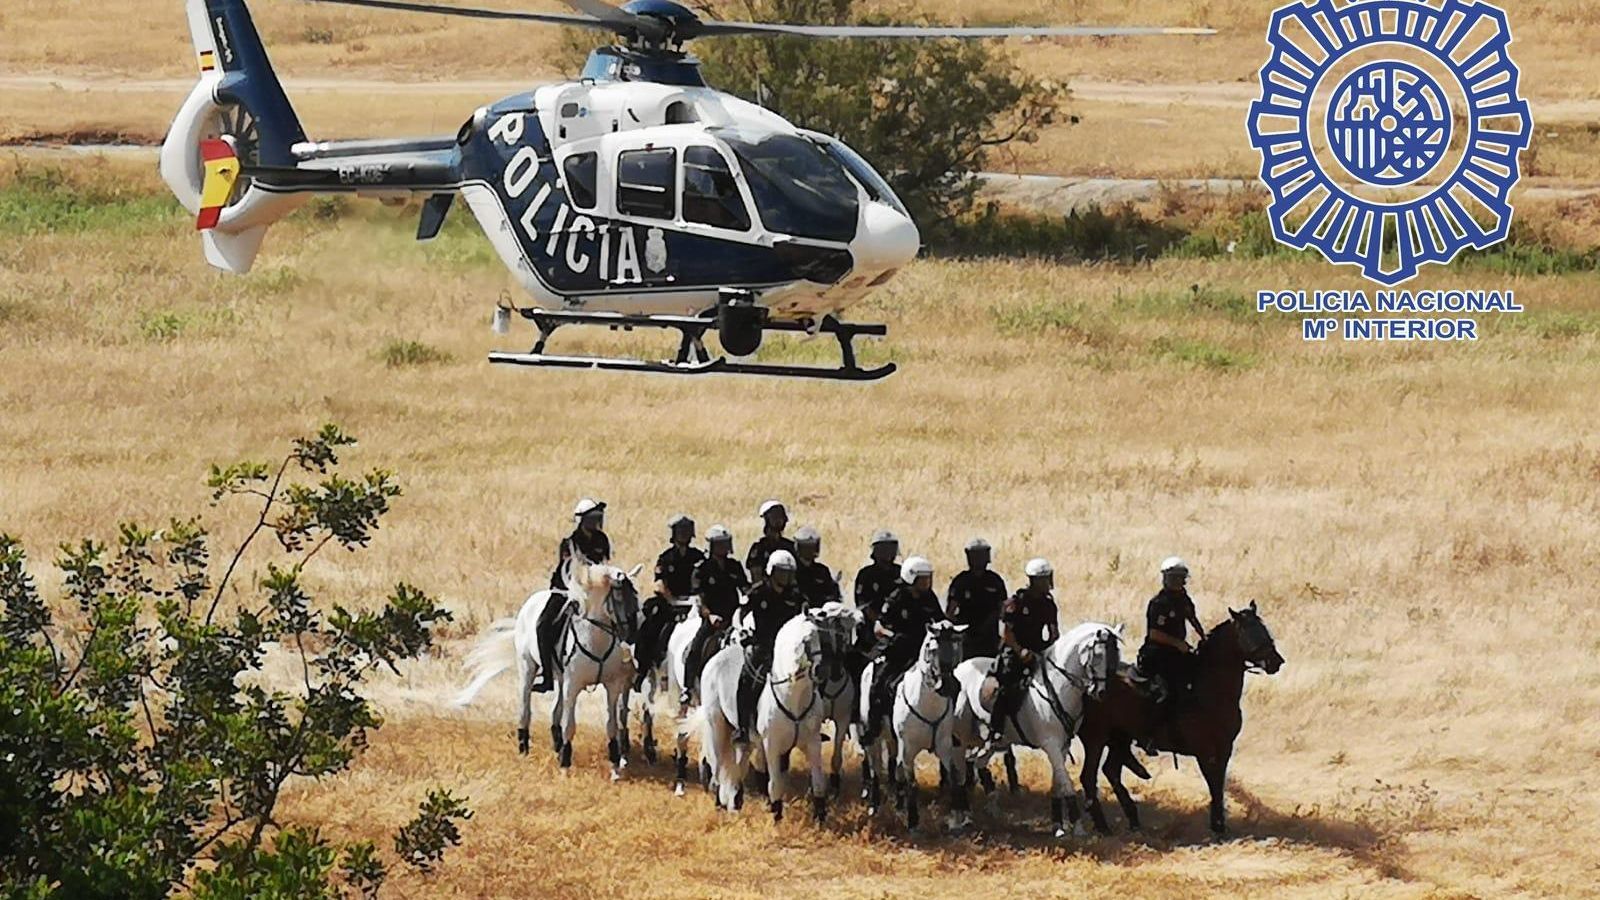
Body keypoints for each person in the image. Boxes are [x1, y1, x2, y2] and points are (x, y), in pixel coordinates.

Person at [860, 556, 946, 744]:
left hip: (924, 653)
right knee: (879, 684)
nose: (927, 582)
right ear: (911, 578)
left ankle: (949, 728)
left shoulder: (930, 598)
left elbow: (940, 621)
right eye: (923, 578)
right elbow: (878, 628)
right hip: (899, 653)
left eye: (928, 578)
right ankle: (873, 727)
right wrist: (893, 637)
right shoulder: (896, 597)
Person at [979, 557, 1060, 754]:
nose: (1047, 583)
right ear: (1034, 580)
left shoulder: (1049, 604)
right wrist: (1021, 651)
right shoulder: (1015, 603)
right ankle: (995, 732)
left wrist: (1050, 650)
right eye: (1044, 579)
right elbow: (1006, 633)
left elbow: (1053, 632)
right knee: (1007, 687)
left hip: (1039, 651)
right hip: (1014, 652)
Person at [533, 498, 611, 692]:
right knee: (544, 625)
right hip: (566, 590)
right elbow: (571, 571)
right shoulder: (570, 543)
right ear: (581, 521)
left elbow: (604, 565)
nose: (595, 522)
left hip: (594, 591)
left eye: (597, 518)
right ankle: (547, 675)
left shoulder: (602, 540)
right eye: (592, 518)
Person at [734, 550, 804, 742]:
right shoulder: (758, 592)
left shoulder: (796, 595)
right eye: (782, 572)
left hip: (789, 649)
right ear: (771, 572)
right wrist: (742, 630)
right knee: (746, 680)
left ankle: (809, 724)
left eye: (789, 573)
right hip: (763, 646)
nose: (786, 577)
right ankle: (742, 727)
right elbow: (740, 613)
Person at [634, 514, 704, 690]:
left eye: (687, 531)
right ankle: (643, 668)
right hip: (670, 604)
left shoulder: (698, 556)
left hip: (694, 603)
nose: (684, 535)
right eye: (680, 531)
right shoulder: (666, 558)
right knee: (650, 626)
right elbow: (659, 584)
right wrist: (673, 600)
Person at [681, 525, 749, 705]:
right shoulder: (702, 569)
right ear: (711, 546)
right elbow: (699, 598)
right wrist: (709, 616)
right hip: (712, 619)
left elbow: (745, 588)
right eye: (720, 545)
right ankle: (687, 689)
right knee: (697, 647)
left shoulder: (734, 566)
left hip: (734, 618)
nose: (724, 548)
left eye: (726, 544)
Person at [1137, 556, 1205, 713]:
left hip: (1178, 653)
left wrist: (1204, 637)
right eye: (1175, 578)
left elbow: (1192, 619)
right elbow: (1154, 634)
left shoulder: (1184, 599)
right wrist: (1178, 644)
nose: (1179, 582)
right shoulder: (1159, 603)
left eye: (1181, 578)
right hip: (1158, 654)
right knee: (1165, 692)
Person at [945, 537, 1008, 660]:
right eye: (976, 555)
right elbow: (950, 612)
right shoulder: (961, 582)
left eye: (982, 555)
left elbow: (1003, 611)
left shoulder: (995, 581)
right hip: (967, 640)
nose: (980, 559)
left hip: (990, 639)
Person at [850, 530, 902, 675]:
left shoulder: (901, 573)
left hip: (897, 629)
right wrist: (880, 623)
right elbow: (864, 605)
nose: (888, 553)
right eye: (884, 549)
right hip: (871, 633)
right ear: (876, 551)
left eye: (891, 548)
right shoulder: (866, 575)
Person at [745, 500, 796, 584]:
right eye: (775, 517)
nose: (779, 520)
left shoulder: (790, 546)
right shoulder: (759, 549)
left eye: (781, 516)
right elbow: (756, 578)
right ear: (767, 519)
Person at [793, 526, 841, 609]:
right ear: (799, 547)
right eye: (807, 546)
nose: (811, 550)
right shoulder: (793, 570)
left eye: (813, 546)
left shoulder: (822, 570)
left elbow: (832, 592)